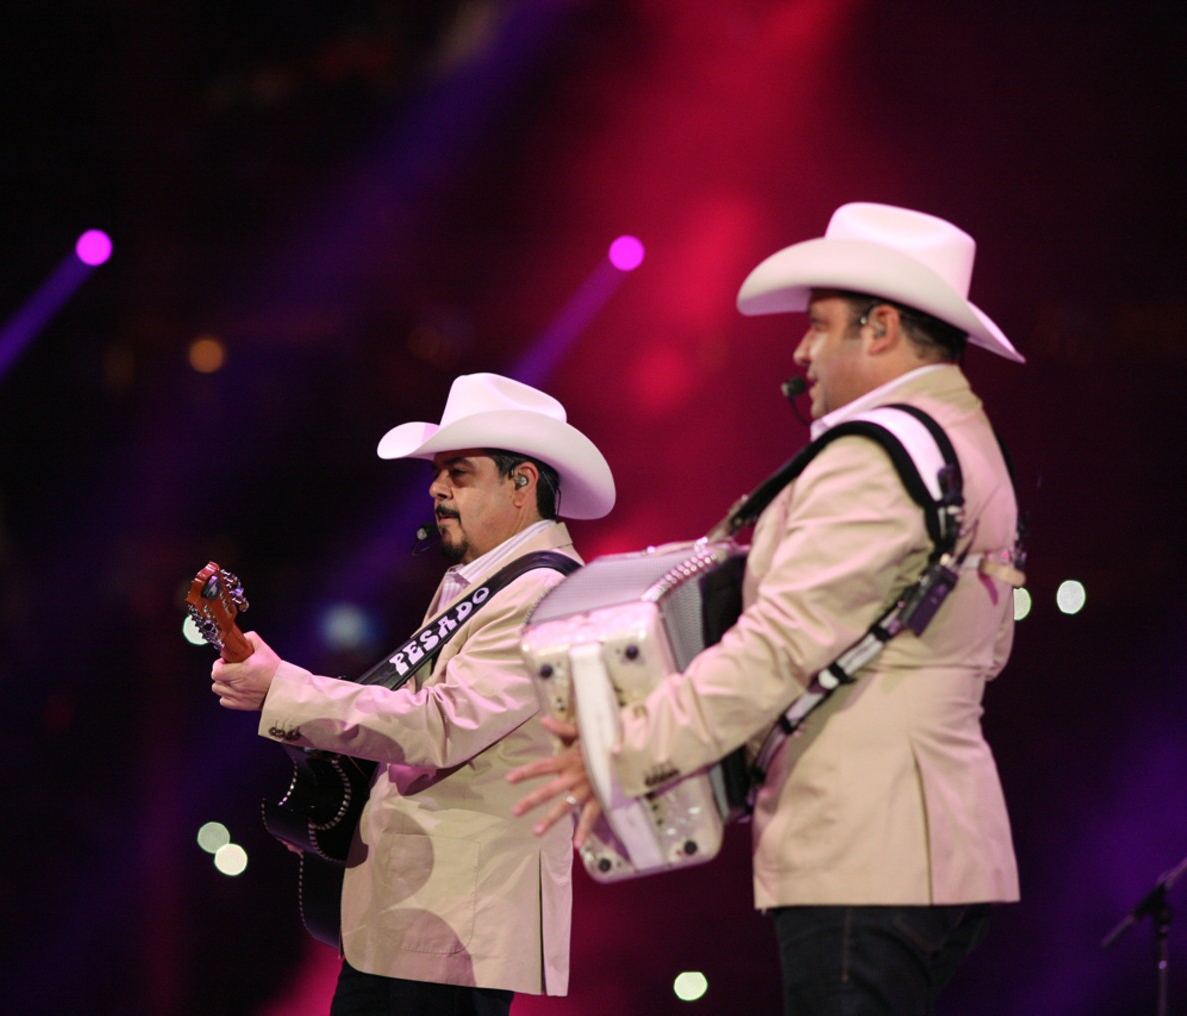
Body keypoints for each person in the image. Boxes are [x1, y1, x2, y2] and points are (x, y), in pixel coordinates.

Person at [510, 202, 1025, 1014]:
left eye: (821, 326)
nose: (801, 349)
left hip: (867, 844)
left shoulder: (876, 457)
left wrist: (622, 747)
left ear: (881, 327)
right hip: (926, 840)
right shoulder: (959, 439)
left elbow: (780, 647)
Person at [211, 372, 616, 1014]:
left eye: (459, 472)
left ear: (523, 484)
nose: (436, 488)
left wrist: (284, 690)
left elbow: (441, 725)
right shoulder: (486, 580)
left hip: (456, 923)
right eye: (438, 472)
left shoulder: (544, 594)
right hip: (419, 917)